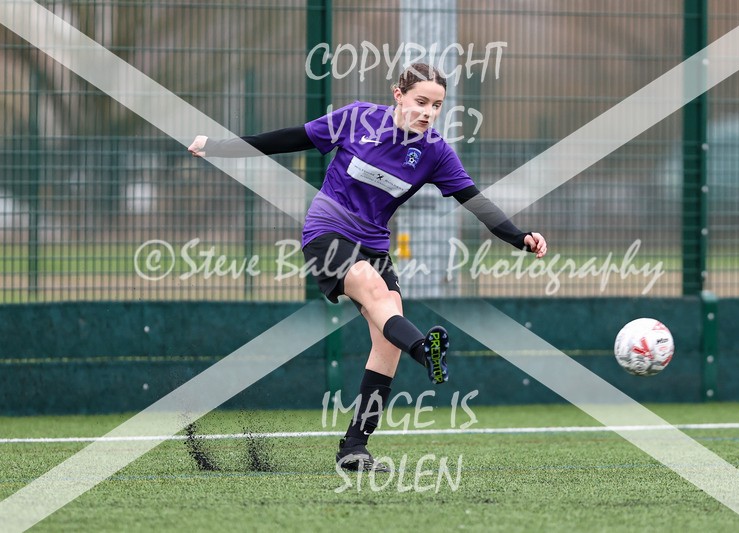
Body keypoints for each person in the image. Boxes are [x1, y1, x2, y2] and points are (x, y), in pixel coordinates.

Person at [188, 63, 547, 473]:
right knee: (375, 293)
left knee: (386, 329)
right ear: (398, 94)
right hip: (327, 232)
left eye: (437, 105)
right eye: (420, 101)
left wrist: (520, 237)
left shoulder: (435, 152)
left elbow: (475, 201)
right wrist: (217, 146)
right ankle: (424, 351)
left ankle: (354, 447)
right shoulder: (358, 119)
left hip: (374, 245)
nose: (428, 112)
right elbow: (289, 138)